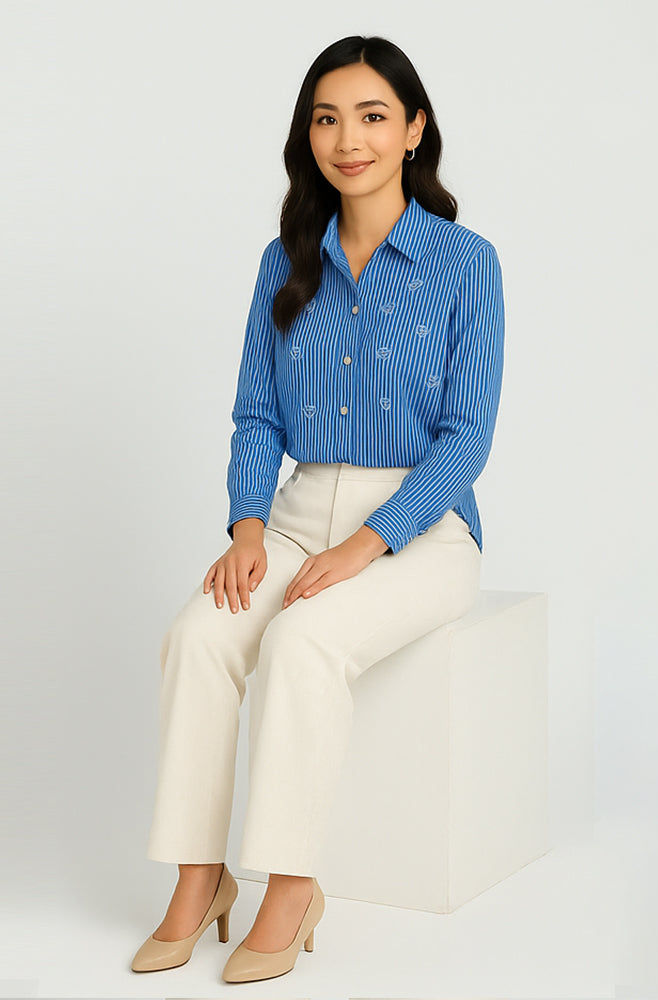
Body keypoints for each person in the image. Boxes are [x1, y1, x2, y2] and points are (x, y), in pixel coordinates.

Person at [131, 32, 505, 984]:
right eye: (327, 118)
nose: (349, 138)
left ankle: (291, 887)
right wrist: (251, 527)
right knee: (201, 635)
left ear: (414, 130)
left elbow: (465, 439)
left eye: (373, 116)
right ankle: (197, 877)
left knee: (304, 642)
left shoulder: (467, 264)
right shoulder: (283, 260)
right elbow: (256, 412)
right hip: (295, 510)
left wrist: (369, 544)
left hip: (424, 523)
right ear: (309, 136)